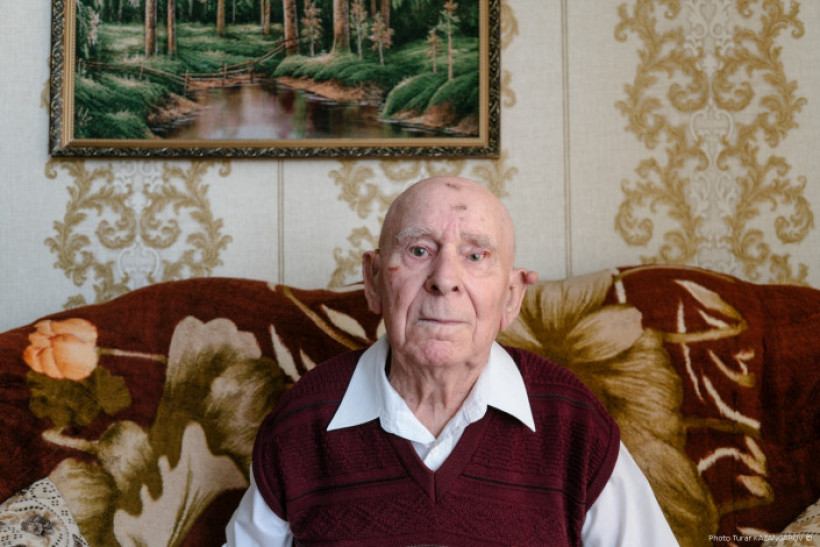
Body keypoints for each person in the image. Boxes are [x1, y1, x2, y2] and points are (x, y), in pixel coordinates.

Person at [225, 176, 677, 546]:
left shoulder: (574, 422)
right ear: (374, 280)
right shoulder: (300, 421)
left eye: (476, 256)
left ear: (512, 297)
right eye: (419, 251)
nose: (444, 279)